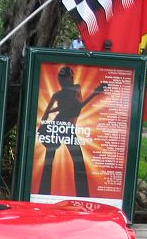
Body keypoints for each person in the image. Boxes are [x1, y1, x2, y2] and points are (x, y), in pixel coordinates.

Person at [37, 66, 107, 198]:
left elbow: (76, 107)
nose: (62, 80)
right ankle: (42, 195)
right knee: (50, 162)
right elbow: (48, 114)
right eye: (61, 77)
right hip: (57, 127)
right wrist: (43, 129)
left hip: (65, 128)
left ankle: (83, 196)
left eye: (64, 77)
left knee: (78, 162)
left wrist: (94, 94)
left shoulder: (75, 88)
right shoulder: (57, 95)